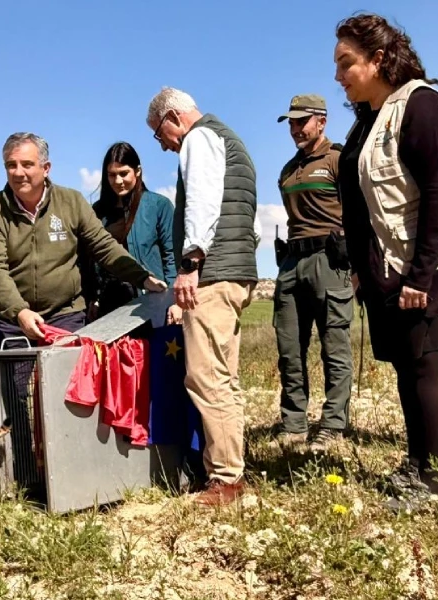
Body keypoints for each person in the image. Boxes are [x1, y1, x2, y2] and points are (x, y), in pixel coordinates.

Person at [333, 13, 438, 511]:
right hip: (388, 262)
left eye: (346, 63)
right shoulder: (369, 119)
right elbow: (359, 205)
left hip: (434, 259)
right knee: (405, 363)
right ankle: (416, 463)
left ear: (378, 59)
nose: (338, 75)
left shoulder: (423, 108)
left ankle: (431, 482)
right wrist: (360, 266)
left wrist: (420, 275)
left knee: (426, 359)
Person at [146, 86, 260, 507]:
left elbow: (203, 202)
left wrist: (191, 265)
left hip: (212, 277)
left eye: (161, 135)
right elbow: (248, 218)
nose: (164, 145)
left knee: (206, 376)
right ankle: (230, 469)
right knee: (224, 377)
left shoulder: (199, 139)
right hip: (238, 271)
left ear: (173, 117)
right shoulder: (233, 142)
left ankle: (226, 480)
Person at [0, 132, 167, 349]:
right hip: (12, 324)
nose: (19, 173)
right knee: (14, 384)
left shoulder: (71, 201)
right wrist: (19, 311)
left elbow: (103, 246)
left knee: (67, 383)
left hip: (66, 317)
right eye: (11, 165)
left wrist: (142, 278)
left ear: (46, 168)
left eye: (27, 164)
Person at [271, 94, 355, 454]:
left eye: (301, 121)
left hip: (329, 261)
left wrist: (357, 265)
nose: (295, 129)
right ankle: (293, 422)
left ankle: (334, 424)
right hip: (291, 263)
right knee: (289, 349)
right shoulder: (288, 170)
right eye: (290, 122)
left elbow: (359, 214)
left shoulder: (339, 160)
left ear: (321, 120)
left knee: (333, 348)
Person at [85, 141, 177, 321]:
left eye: (123, 173)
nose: (118, 181)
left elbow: (171, 255)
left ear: (138, 171)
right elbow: (89, 261)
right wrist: (93, 297)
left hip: (151, 298)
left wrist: (174, 299)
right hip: (109, 302)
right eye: (112, 175)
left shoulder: (159, 206)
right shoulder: (97, 212)